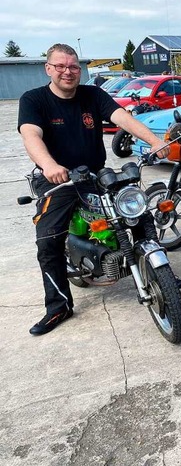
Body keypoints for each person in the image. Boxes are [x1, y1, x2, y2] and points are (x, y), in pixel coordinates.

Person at [18, 43, 170, 336]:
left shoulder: (92, 94)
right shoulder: (34, 99)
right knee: (48, 240)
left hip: (94, 174)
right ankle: (58, 306)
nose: (68, 72)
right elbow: (31, 134)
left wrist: (153, 140)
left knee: (137, 212)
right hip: (57, 179)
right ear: (48, 69)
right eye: (60, 66)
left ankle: (160, 274)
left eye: (73, 66)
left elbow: (122, 118)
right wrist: (49, 165)